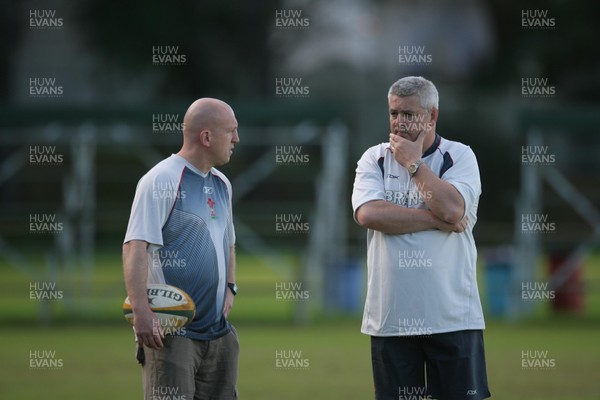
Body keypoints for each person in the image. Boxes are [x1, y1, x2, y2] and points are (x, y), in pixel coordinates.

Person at [351, 76, 490, 400]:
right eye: (394, 113)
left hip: (453, 316)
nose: (399, 122)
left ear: (432, 116)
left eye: (409, 114)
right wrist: (435, 220)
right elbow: (369, 215)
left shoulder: (459, 156)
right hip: (391, 320)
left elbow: (453, 208)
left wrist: (413, 164)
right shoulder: (375, 158)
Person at [123, 98, 240, 399]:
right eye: (231, 131)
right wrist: (141, 312)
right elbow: (135, 246)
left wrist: (230, 287)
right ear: (206, 137)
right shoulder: (160, 179)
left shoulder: (222, 183)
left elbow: (228, 243)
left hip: (219, 333)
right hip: (173, 334)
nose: (236, 139)